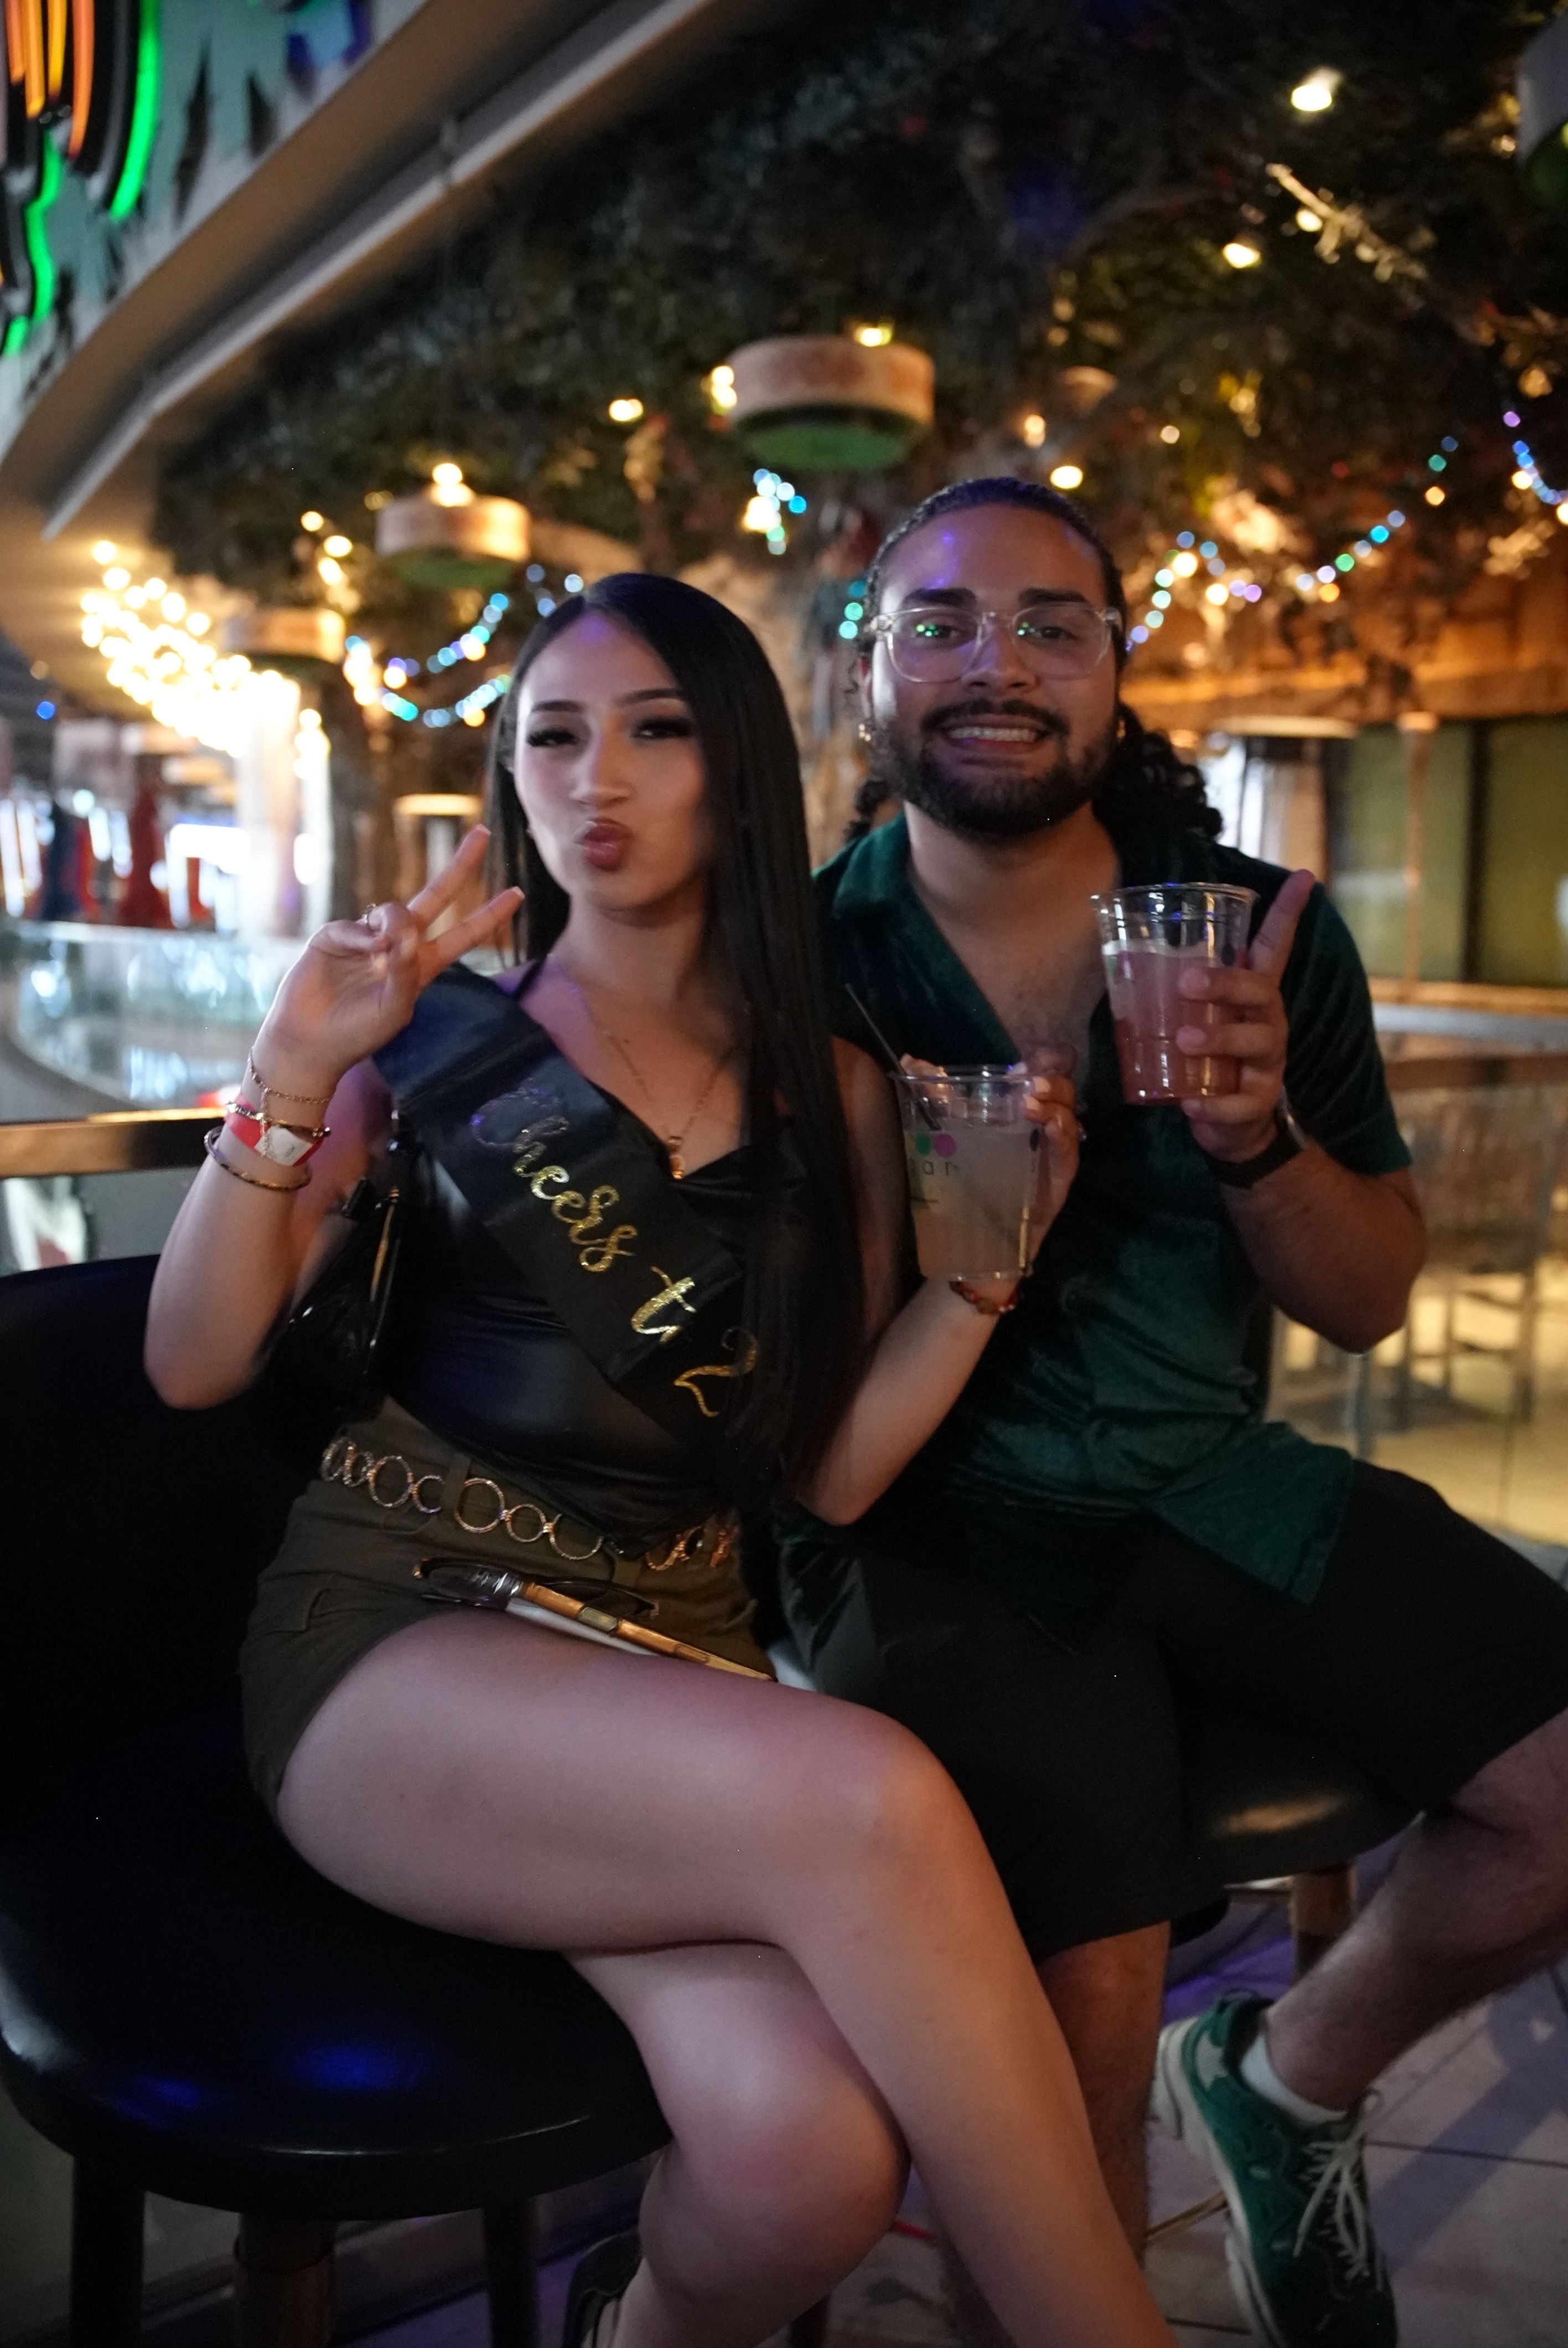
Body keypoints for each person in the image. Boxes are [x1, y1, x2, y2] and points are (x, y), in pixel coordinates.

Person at [145, 572, 1178, 2348]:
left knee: (806, 2166)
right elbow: (192, 1361)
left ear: (737, 773)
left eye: (656, 730)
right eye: (553, 735)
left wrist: (981, 1281)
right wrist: (291, 1063)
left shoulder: (838, 1094)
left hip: (671, 1665)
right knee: (876, 1796)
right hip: (398, 1634)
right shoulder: (431, 1043)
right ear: (511, 777)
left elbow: (830, 1482)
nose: (595, 777)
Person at [778, 478, 1568, 2348]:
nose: (999, 665)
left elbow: (1366, 1293)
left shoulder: (1253, 945)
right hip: (928, 1521)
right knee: (1087, 1999)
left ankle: (1287, 2085)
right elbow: (777, 1367)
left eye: (1052, 624)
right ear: (872, 674)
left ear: (1119, 669)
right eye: (945, 623)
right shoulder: (800, 962)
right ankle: (1039, 2289)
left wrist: (1253, 1137)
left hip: (1214, 1482)